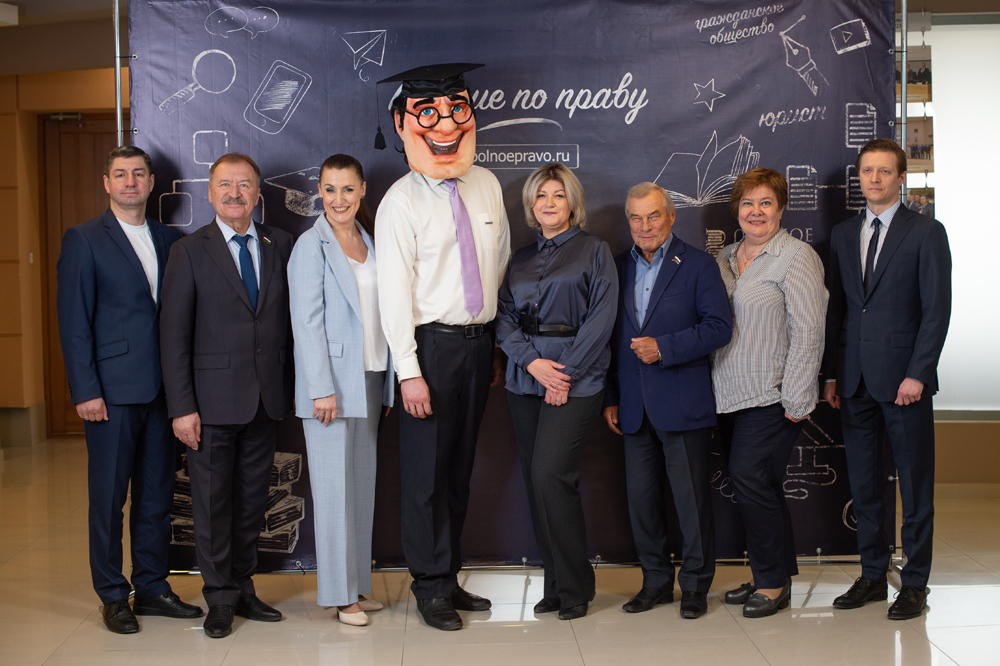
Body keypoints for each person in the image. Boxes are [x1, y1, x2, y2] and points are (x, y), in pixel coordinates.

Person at [374, 63, 511, 631]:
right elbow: (392, 295)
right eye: (429, 114)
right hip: (429, 348)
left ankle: (448, 575)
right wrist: (408, 371)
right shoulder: (399, 202)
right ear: (403, 124)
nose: (447, 124)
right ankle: (429, 586)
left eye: (458, 109)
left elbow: (499, 262)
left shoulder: (486, 184)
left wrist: (494, 342)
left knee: (458, 470)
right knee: (425, 475)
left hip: (478, 347)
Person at [56, 145, 202, 634]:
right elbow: (74, 321)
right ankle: (113, 595)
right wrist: (85, 389)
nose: (130, 182)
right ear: (107, 183)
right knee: (108, 500)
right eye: (120, 174)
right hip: (111, 395)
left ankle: (153, 587)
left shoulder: (170, 239)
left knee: (156, 499)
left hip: (163, 393)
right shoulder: (84, 239)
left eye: (138, 173)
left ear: (151, 181)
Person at [160, 153, 294, 638]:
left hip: (266, 399)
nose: (235, 193)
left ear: (257, 193)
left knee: (252, 502)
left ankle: (243, 587)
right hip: (210, 404)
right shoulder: (188, 251)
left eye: (244, 185)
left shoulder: (281, 243)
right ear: (210, 192)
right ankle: (218, 597)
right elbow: (173, 336)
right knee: (213, 506)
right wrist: (182, 407)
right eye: (225, 184)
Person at [823, 139, 951, 620]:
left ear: (901, 177)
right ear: (859, 177)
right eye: (867, 171)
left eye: (884, 171)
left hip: (905, 384)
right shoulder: (842, 233)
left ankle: (914, 584)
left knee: (914, 487)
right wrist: (832, 375)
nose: (874, 179)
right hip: (854, 380)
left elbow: (936, 312)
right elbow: (838, 310)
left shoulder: (927, 232)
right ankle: (873, 576)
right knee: (865, 485)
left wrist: (918, 373)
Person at [602, 182, 732, 620]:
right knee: (642, 504)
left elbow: (719, 327)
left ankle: (694, 586)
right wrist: (612, 396)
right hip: (633, 407)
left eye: (653, 215)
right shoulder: (616, 267)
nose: (645, 226)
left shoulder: (698, 265)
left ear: (671, 216)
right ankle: (655, 583)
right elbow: (612, 340)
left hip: (682, 401)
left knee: (691, 503)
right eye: (636, 218)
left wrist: (665, 347)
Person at [496, 163, 616, 621]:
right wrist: (532, 363)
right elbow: (503, 317)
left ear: (572, 203)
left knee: (552, 476)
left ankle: (576, 586)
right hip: (525, 377)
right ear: (531, 205)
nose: (549, 203)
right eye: (541, 195)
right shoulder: (519, 259)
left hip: (576, 378)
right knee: (536, 482)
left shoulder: (594, 250)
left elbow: (601, 319)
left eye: (558, 195)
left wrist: (563, 375)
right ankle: (555, 585)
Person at [711, 168, 828, 618]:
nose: (756, 212)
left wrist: (797, 398)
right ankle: (771, 573)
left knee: (749, 478)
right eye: (748, 203)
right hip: (727, 394)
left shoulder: (797, 257)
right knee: (762, 487)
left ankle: (772, 584)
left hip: (772, 395)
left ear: (781, 209)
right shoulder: (725, 258)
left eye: (765, 203)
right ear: (736, 210)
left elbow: (809, 331)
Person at [288, 154, 394, 626]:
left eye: (347, 189)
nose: (338, 199)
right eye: (329, 189)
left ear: (362, 190)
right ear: (319, 191)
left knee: (360, 490)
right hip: (329, 387)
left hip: (369, 377)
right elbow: (306, 322)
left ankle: (356, 586)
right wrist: (320, 389)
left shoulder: (370, 241)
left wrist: (386, 385)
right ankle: (338, 595)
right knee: (333, 494)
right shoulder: (310, 246)